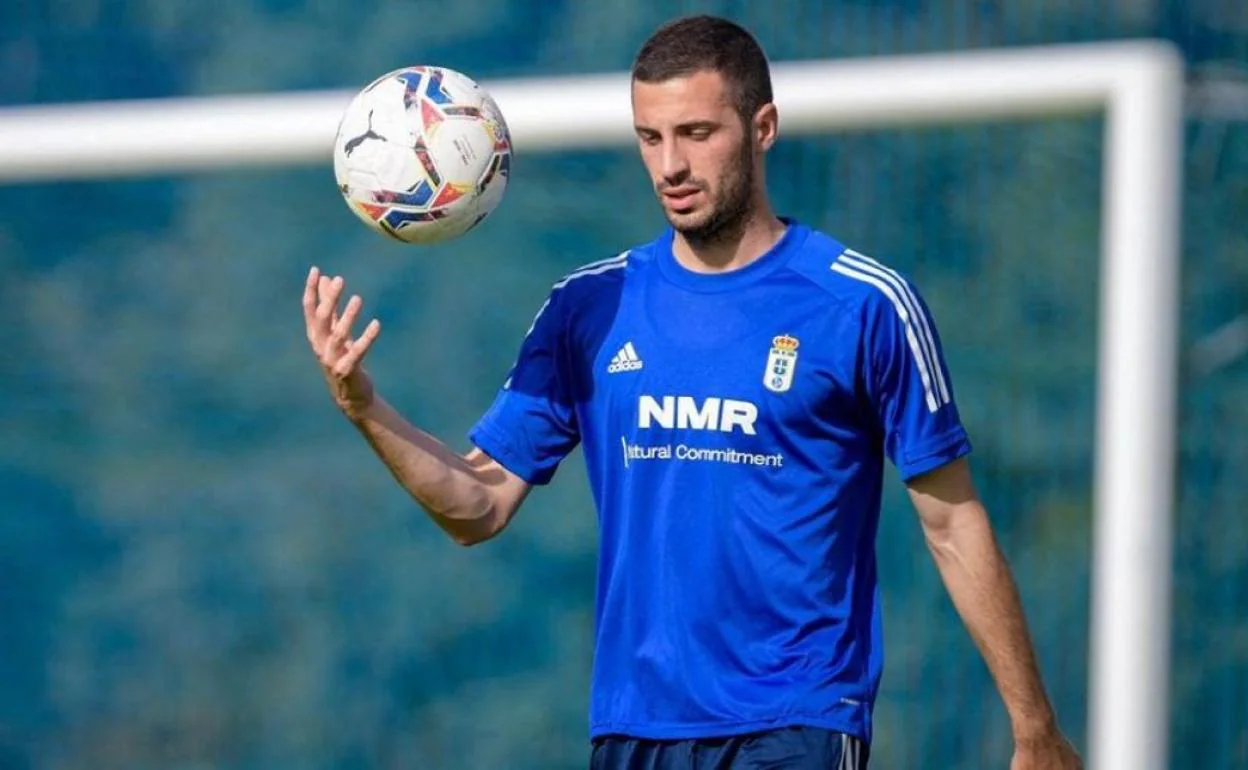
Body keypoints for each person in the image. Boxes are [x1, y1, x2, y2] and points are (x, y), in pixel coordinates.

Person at [302, 14, 1083, 770]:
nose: (670, 165)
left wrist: (1035, 727)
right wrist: (364, 406)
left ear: (763, 126)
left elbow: (952, 523)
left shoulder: (864, 304)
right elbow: (478, 505)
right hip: (633, 725)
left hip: (797, 720)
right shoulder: (588, 308)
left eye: (697, 134)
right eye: (651, 138)